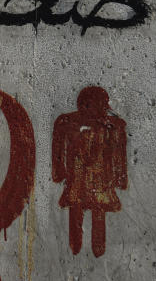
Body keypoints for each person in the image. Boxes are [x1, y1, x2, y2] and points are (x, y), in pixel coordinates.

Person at [51, 86, 127, 256]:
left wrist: (58, 173)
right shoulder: (112, 126)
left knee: (84, 211)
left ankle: (80, 248)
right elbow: (119, 154)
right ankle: (83, 248)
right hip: (95, 182)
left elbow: (119, 153)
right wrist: (121, 178)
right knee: (90, 212)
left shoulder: (68, 122)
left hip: (84, 182)